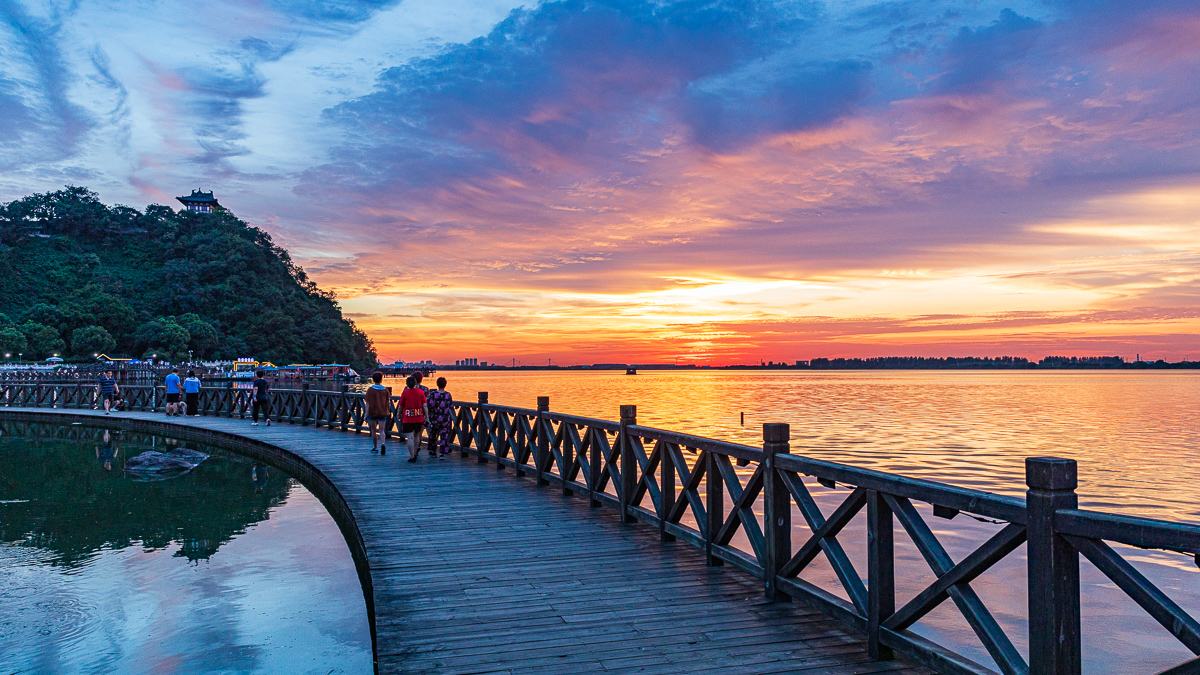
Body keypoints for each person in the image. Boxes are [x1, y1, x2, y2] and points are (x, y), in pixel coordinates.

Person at [398, 375, 427, 463]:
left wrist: (398, 414)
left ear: (407, 384)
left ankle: (412, 456)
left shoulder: (405, 393)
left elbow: (400, 406)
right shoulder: (421, 392)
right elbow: (425, 405)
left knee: (410, 437)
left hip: (407, 418)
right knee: (417, 435)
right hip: (418, 417)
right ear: (415, 383)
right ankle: (416, 451)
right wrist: (427, 416)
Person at [427, 377, 454, 460]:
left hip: (434, 418)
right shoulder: (448, 395)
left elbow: (430, 406)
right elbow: (450, 406)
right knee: (444, 435)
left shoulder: (433, 394)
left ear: (437, 384)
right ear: (445, 385)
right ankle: (442, 453)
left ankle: (433, 450)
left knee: (433, 434)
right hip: (445, 419)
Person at [364, 371, 390, 454]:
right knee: (382, 430)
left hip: (372, 412)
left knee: (373, 430)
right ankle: (383, 443)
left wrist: (366, 414)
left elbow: (367, 402)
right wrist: (388, 410)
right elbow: (388, 402)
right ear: (381, 379)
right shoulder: (385, 390)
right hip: (382, 412)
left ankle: (375, 447)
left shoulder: (370, 390)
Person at [412, 371, 431, 455]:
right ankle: (418, 447)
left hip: (411, 412)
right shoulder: (425, 389)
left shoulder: (407, 388)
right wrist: (427, 415)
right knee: (419, 431)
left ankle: (414, 449)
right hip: (421, 412)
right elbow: (426, 402)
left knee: (412, 432)